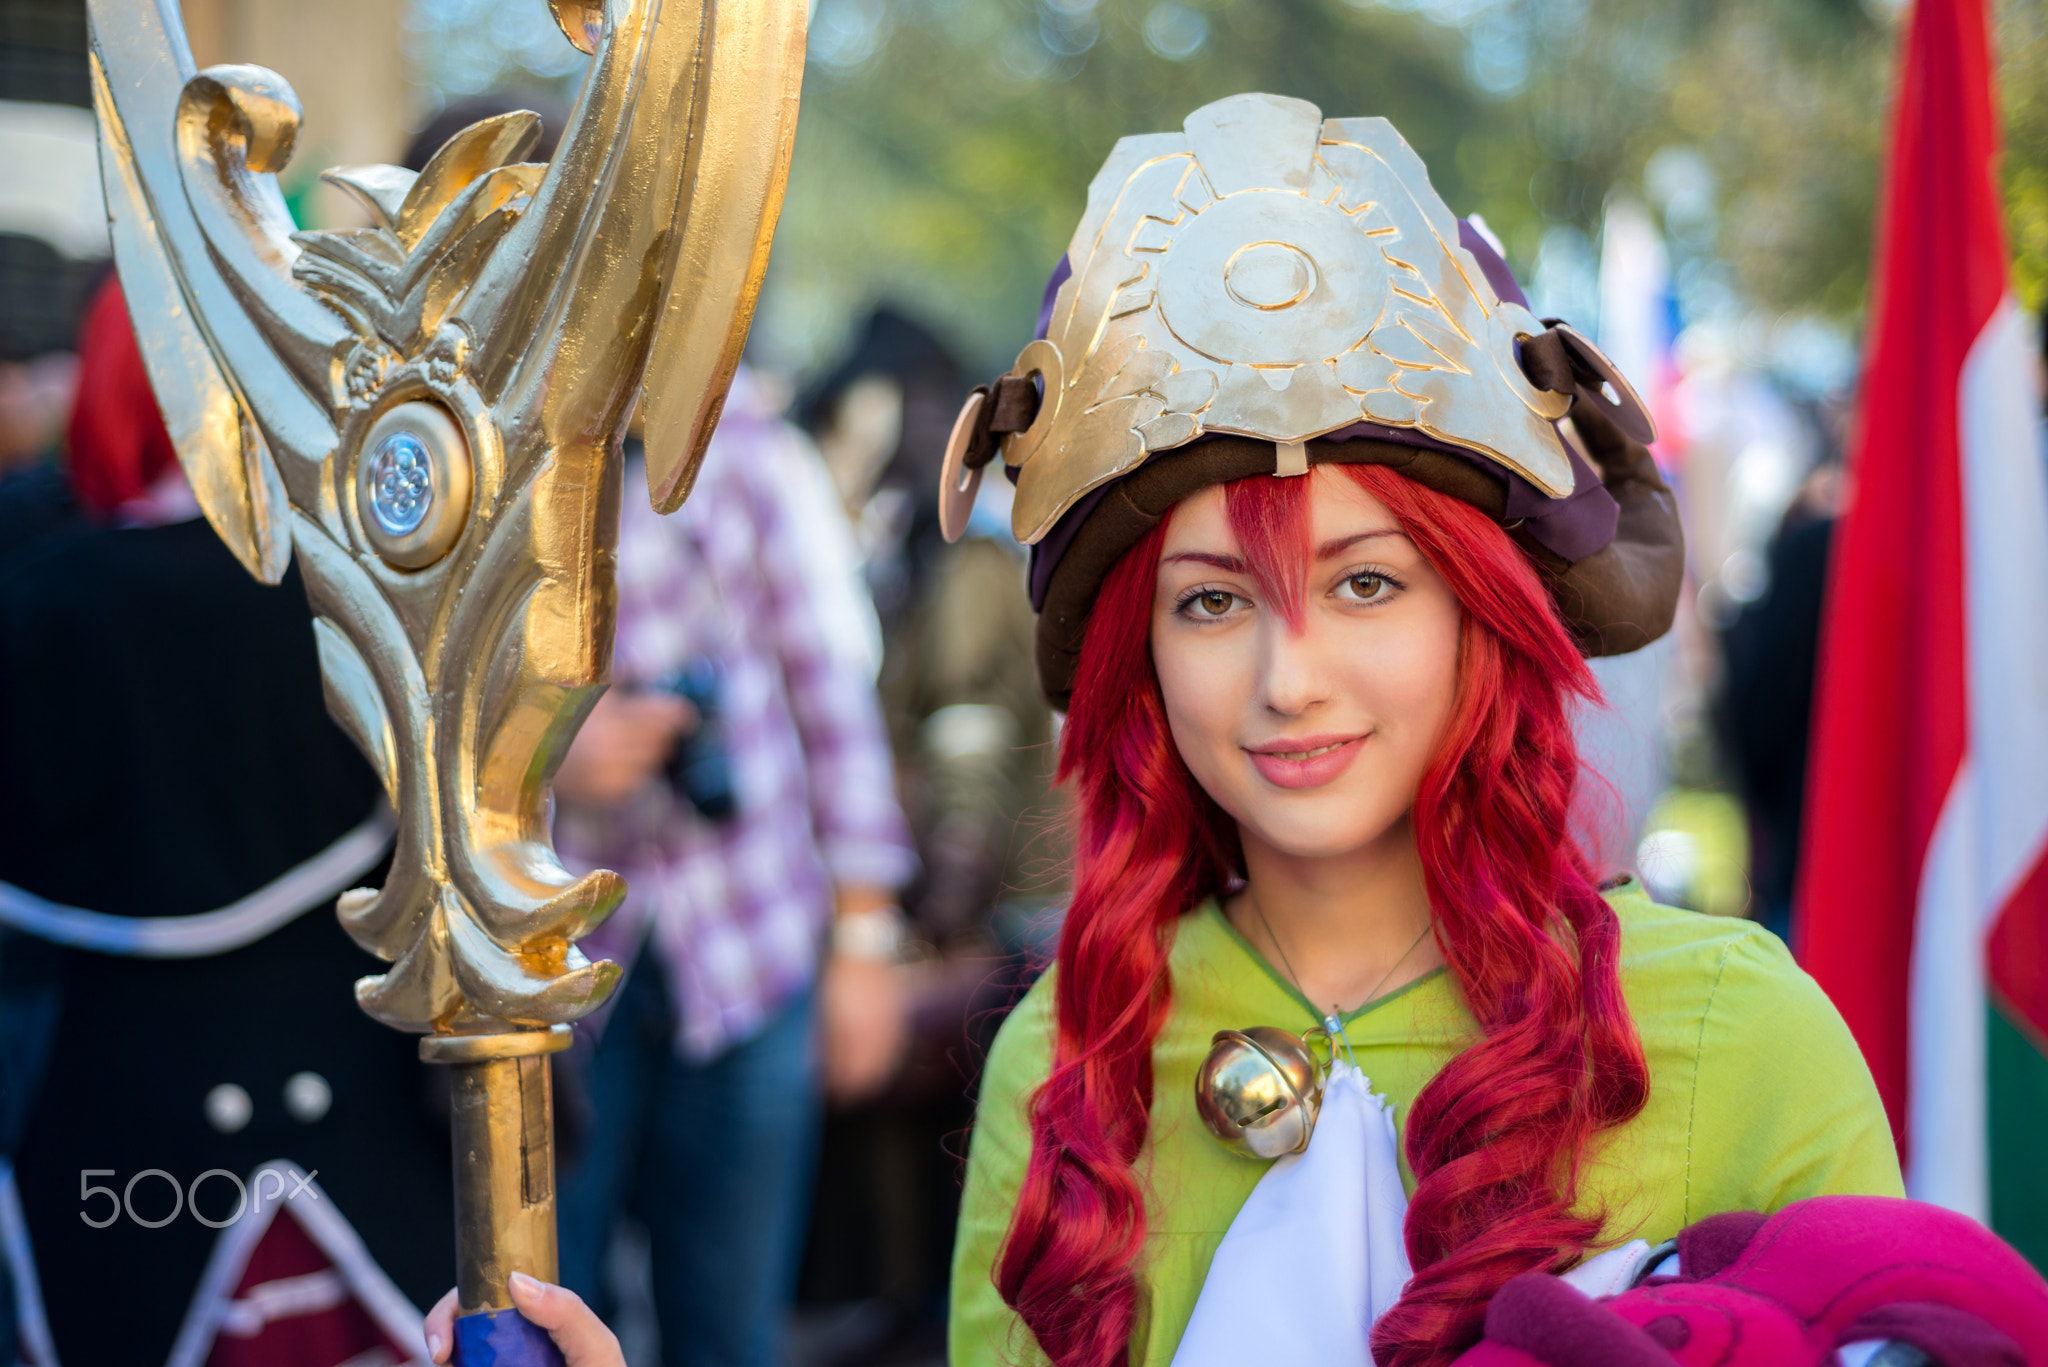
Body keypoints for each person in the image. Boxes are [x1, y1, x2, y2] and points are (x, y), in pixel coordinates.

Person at [945, 94, 1904, 1367]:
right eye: (1213, 600)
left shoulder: (1740, 1030)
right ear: (1142, 659)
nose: (1289, 677)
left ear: (1481, 617)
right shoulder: (1068, 1051)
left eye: (1365, 582)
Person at [548, 364, 918, 1367]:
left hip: (750, 945)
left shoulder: (747, 448)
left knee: (731, 1328)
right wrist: (546, 754)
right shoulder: (492, 447)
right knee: (544, 1310)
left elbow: (829, 699)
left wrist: (864, 942)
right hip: (550, 963)